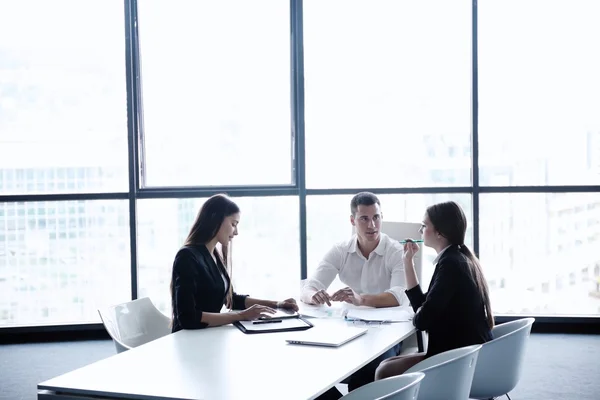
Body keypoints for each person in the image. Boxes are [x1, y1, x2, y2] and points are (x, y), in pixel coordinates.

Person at [301, 192, 407, 398]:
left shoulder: (395, 251)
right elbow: (308, 287)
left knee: (368, 370)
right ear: (352, 221)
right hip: (350, 330)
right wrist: (313, 295)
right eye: (364, 219)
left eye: (376, 217)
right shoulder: (340, 250)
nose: (372, 225)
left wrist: (361, 299)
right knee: (315, 368)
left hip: (388, 332)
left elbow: (399, 296)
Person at [375, 201, 494, 380]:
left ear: (440, 232)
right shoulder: (457, 257)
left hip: (460, 358)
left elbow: (422, 320)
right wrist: (408, 262)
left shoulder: (450, 264)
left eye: (424, 226)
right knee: (385, 365)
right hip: (465, 351)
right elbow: (422, 307)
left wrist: (422, 313)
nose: (420, 231)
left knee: (384, 372)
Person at [170, 194, 298, 332]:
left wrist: (278, 304)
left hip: (207, 336)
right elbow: (188, 317)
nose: (236, 232)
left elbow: (232, 299)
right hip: (188, 339)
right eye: (233, 224)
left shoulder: (213, 256)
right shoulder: (187, 256)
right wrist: (241, 315)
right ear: (216, 219)